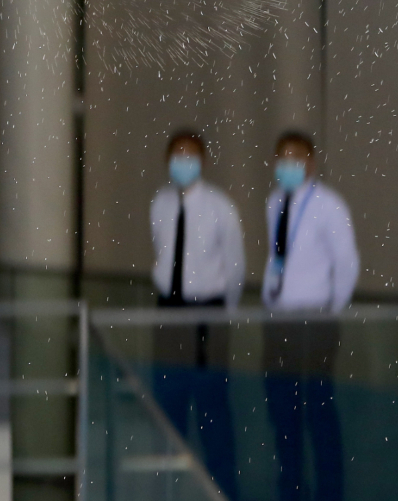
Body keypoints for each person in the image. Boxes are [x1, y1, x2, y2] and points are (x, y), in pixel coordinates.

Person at [261, 131, 358, 501]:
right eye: (282, 159)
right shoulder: (274, 202)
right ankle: (291, 488)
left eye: (296, 159)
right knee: (282, 410)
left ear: (311, 163)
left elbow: (346, 263)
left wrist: (331, 309)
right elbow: (277, 256)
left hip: (315, 321)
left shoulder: (329, 205)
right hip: (278, 318)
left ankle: (330, 491)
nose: (288, 166)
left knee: (318, 408)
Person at [149, 131, 243, 495]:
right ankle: (169, 488)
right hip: (170, 310)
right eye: (176, 155)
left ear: (202, 161)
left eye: (189, 156)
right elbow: (161, 250)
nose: (182, 162)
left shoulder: (221, 208)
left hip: (209, 312)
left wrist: (223, 313)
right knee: (168, 401)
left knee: (212, 406)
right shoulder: (160, 204)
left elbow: (235, 267)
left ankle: (222, 487)